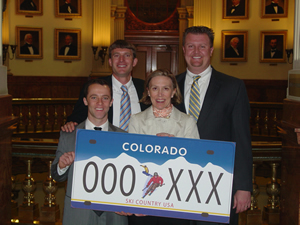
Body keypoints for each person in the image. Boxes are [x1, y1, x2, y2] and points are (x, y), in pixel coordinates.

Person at [176, 26, 252, 225]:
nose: (196, 52)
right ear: (183, 49)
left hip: (218, 182)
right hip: (176, 182)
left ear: (211, 51)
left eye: (202, 46)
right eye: (191, 46)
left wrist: (243, 187)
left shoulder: (233, 87)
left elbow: (242, 139)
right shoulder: (169, 86)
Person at [51, 79, 128, 225]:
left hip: (115, 215)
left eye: (105, 98)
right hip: (78, 214)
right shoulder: (69, 134)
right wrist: (62, 166)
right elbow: (56, 176)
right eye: (94, 97)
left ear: (111, 102)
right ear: (85, 101)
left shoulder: (124, 137)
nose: (100, 103)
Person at [128, 69, 199, 225]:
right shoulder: (136, 120)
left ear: (173, 91)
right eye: (155, 88)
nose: (160, 94)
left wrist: (177, 148)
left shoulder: (188, 122)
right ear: (148, 91)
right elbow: (131, 164)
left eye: (165, 88)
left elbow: (195, 164)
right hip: (143, 202)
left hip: (176, 201)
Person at [62, 39, 147, 132]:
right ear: (110, 62)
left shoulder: (145, 88)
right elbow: (78, 116)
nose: (121, 60)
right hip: (105, 143)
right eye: (116, 55)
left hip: (138, 144)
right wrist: (71, 123)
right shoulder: (94, 87)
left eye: (127, 55)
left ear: (134, 62)